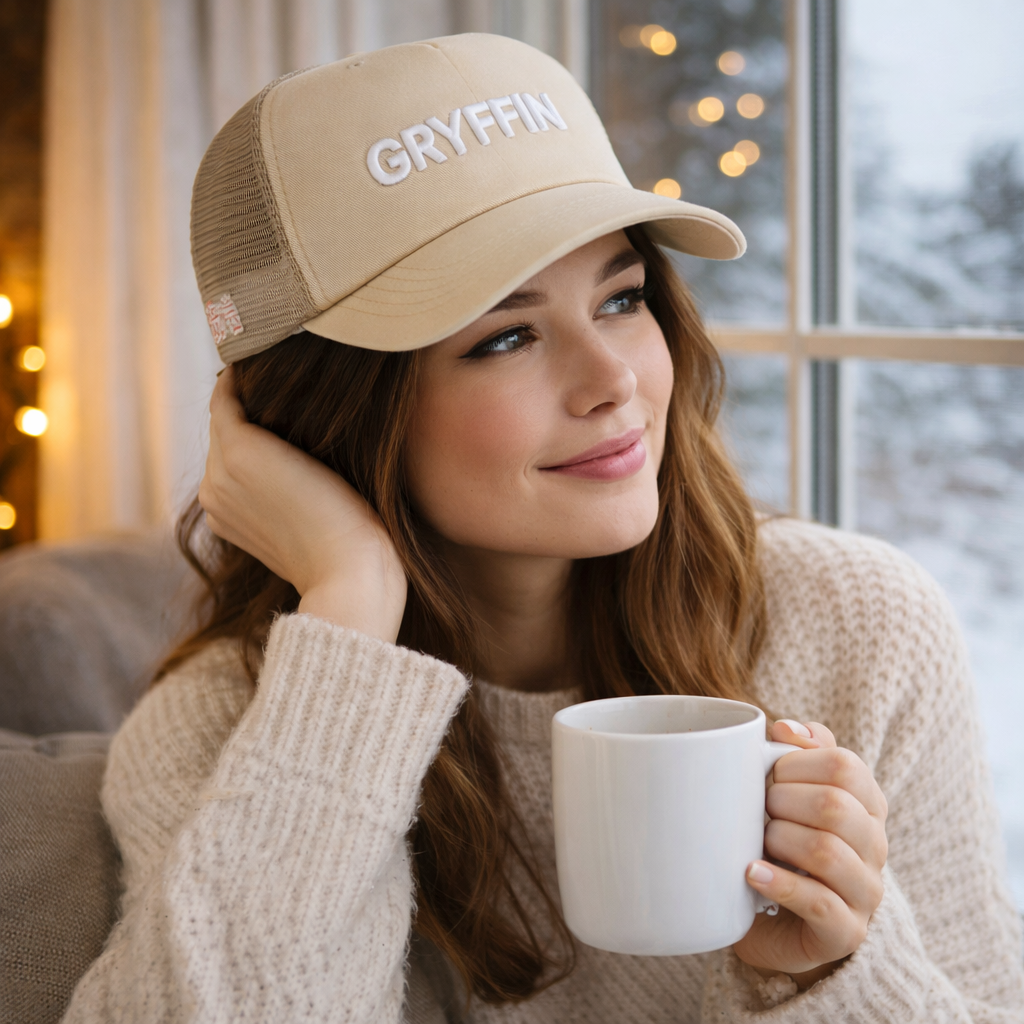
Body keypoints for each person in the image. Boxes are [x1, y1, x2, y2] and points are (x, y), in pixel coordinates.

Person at [64, 33, 1023, 1024]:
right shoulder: (227, 728)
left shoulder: (858, 628)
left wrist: (827, 975)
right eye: (506, 336)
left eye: (622, 296)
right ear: (331, 414)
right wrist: (350, 602)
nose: (613, 380)